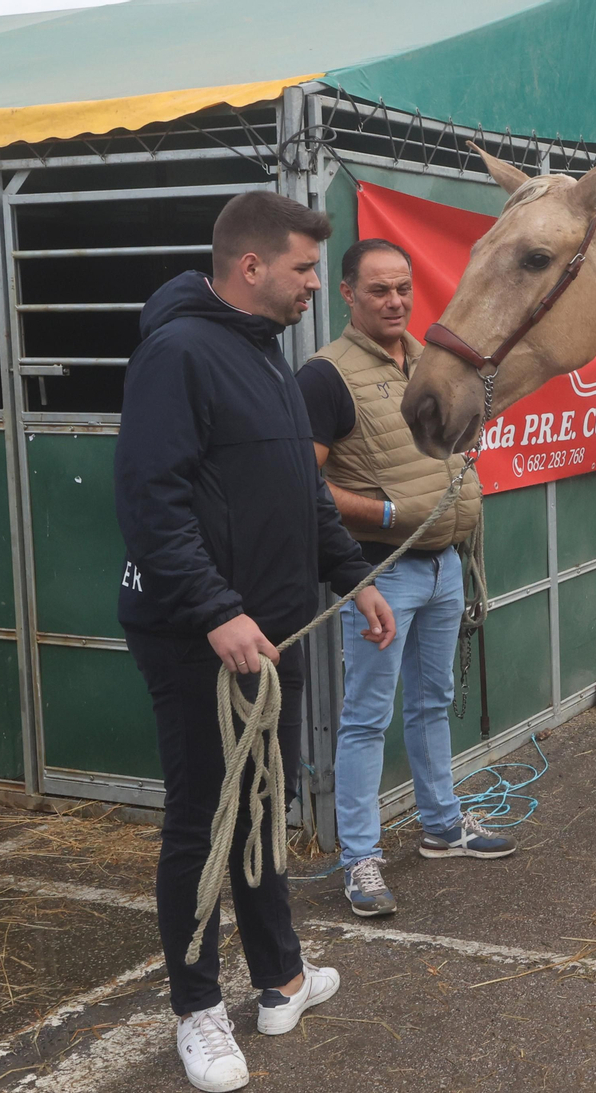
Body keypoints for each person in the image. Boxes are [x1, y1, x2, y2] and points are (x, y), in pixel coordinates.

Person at [115, 192, 397, 1092]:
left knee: (265, 807)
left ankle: (280, 978)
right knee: (203, 818)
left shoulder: (267, 359)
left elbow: (300, 492)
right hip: (203, 637)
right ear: (251, 267)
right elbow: (148, 498)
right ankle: (197, 1009)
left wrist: (353, 576)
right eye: (307, 269)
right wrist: (213, 607)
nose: (317, 284)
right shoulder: (178, 353)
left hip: (272, 634)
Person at [296, 238, 515, 921]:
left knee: (432, 699)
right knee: (366, 715)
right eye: (379, 290)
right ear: (348, 294)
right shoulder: (325, 376)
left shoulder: (428, 361)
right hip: (380, 572)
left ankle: (442, 825)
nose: (394, 301)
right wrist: (387, 511)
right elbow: (304, 482)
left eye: (403, 288)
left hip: (445, 564)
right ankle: (360, 856)